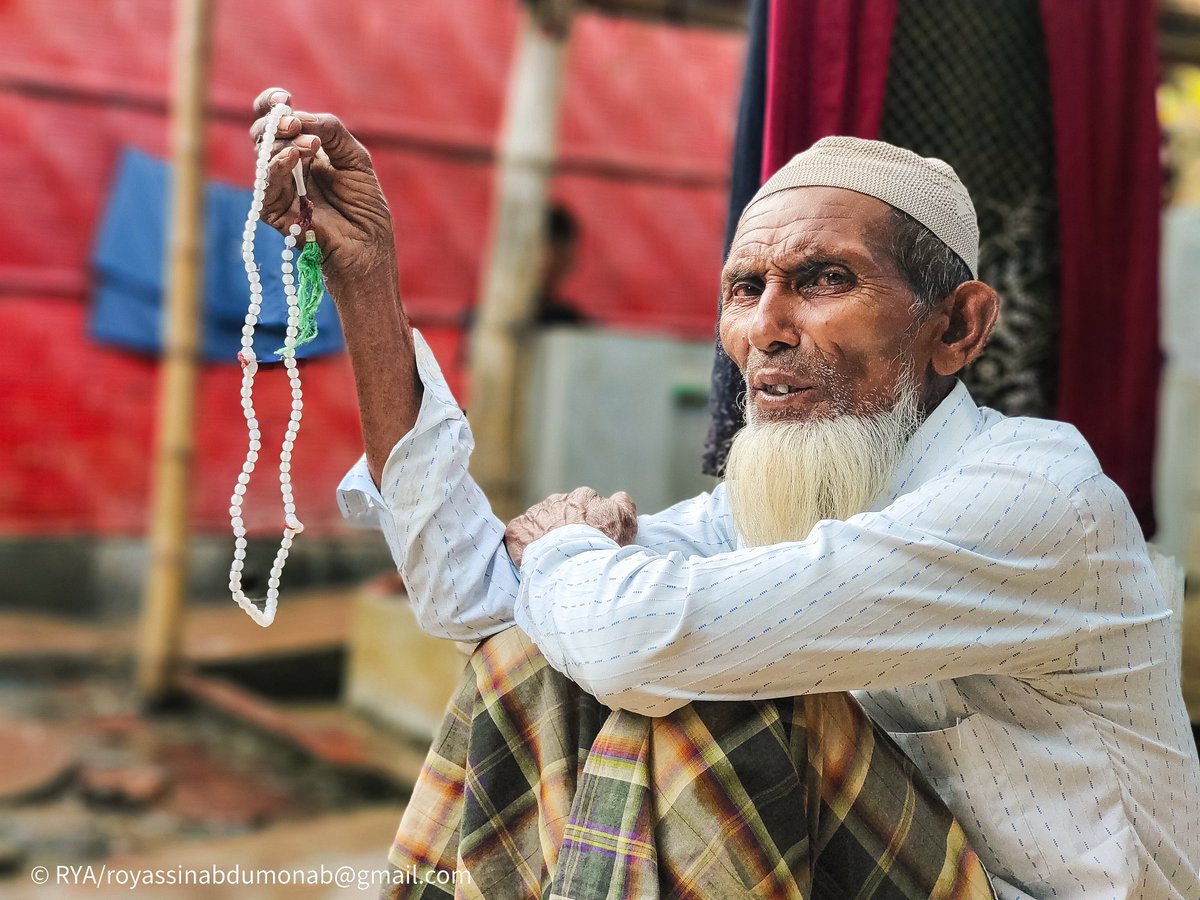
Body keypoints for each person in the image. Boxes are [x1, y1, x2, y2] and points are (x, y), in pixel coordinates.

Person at [250, 88, 1200, 898]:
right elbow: (475, 602)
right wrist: (368, 285)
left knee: (709, 703)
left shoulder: (1036, 493)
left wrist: (565, 550)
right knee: (530, 663)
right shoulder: (770, 507)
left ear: (958, 326)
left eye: (825, 281)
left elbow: (634, 640)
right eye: (745, 290)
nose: (767, 330)